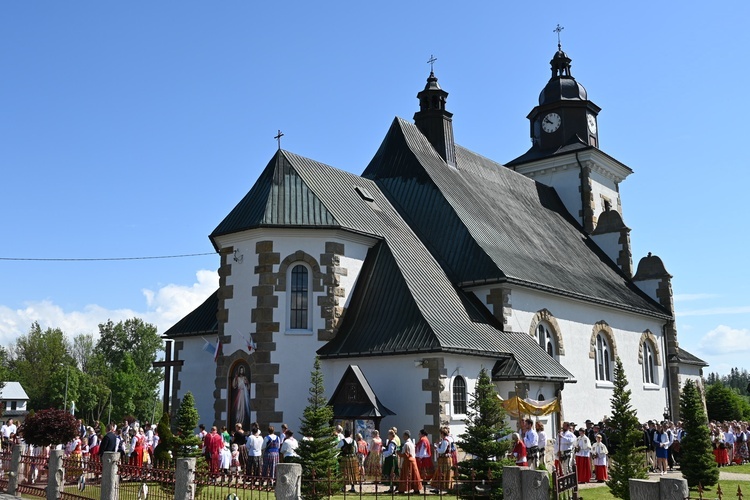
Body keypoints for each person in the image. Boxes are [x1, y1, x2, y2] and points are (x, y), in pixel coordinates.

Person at [430, 427, 454, 493]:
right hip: (444, 459)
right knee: (440, 473)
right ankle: (438, 488)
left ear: (442, 433)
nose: (440, 435)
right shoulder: (446, 440)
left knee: (443, 473)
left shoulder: (445, 441)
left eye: (440, 433)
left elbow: (442, 451)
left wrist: (436, 448)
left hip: (445, 460)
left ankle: (444, 488)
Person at [232, 365, 251, 430]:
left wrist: (246, 383)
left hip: (244, 393)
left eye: (242, 370)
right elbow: (234, 386)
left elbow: (248, 387)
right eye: (240, 370)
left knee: (243, 408)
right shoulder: (237, 378)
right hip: (238, 393)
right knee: (238, 408)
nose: (241, 371)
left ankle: (242, 422)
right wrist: (235, 378)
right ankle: (238, 421)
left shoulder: (245, 378)